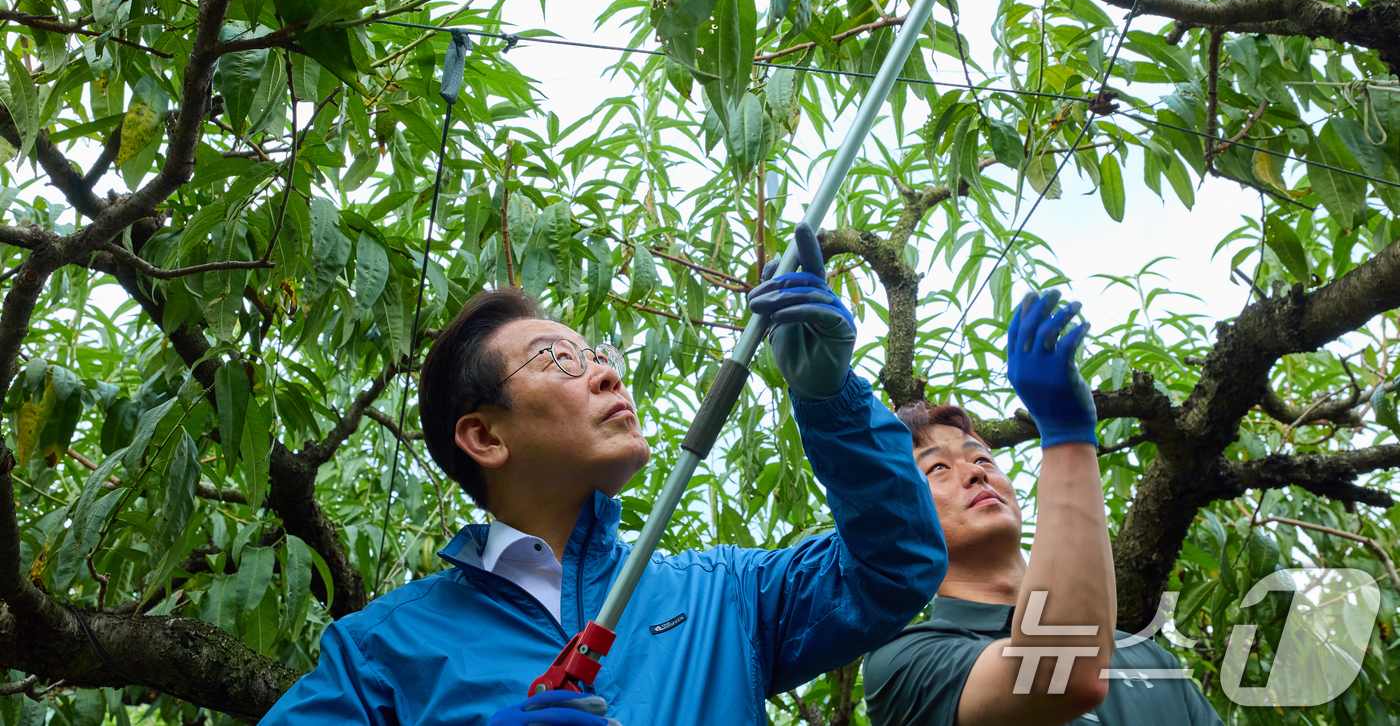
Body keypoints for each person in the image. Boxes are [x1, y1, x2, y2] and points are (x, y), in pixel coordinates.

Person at [260, 223, 947, 726]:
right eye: (559, 359)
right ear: (483, 435)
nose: (608, 373)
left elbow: (894, 567)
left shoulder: (725, 596)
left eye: (598, 353)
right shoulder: (382, 649)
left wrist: (832, 400)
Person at [865, 290, 1223, 726]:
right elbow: (1060, 671)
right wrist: (1068, 435)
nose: (977, 474)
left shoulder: (1150, 659)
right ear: (901, 520)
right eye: (937, 468)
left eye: (982, 459)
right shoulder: (904, 662)